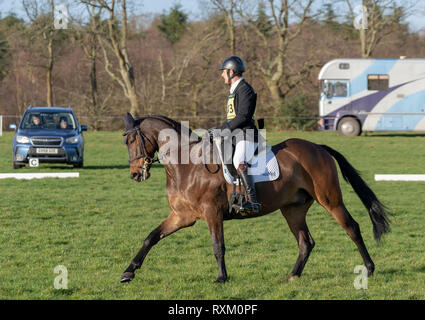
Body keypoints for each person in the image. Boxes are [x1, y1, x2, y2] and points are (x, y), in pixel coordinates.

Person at [212, 56, 260, 214]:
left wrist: (222, 129)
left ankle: (253, 202)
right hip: (235, 135)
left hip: (246, 134)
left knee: (239, 160)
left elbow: (242, 117)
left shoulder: (245, 89)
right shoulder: (234, 91)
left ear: (231, 71)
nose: (222, 75)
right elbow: (232, 119)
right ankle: (236, 196)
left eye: (223, 72)